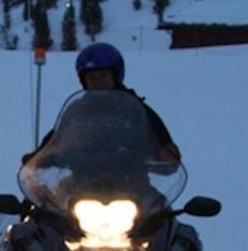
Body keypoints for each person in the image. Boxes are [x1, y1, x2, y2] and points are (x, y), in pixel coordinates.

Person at [23, 42, 180, 164]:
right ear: (84, 80)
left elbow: (163, 144)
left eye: (103, 75)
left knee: (160, 204)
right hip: (79, 185)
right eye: (92, 77)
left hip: (133, 184)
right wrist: (38, 158)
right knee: (39, 204)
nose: (98, 82)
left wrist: (167, 156)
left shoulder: (136, 110)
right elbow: (56, 139)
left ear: (115, 76)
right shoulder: (76, 111)